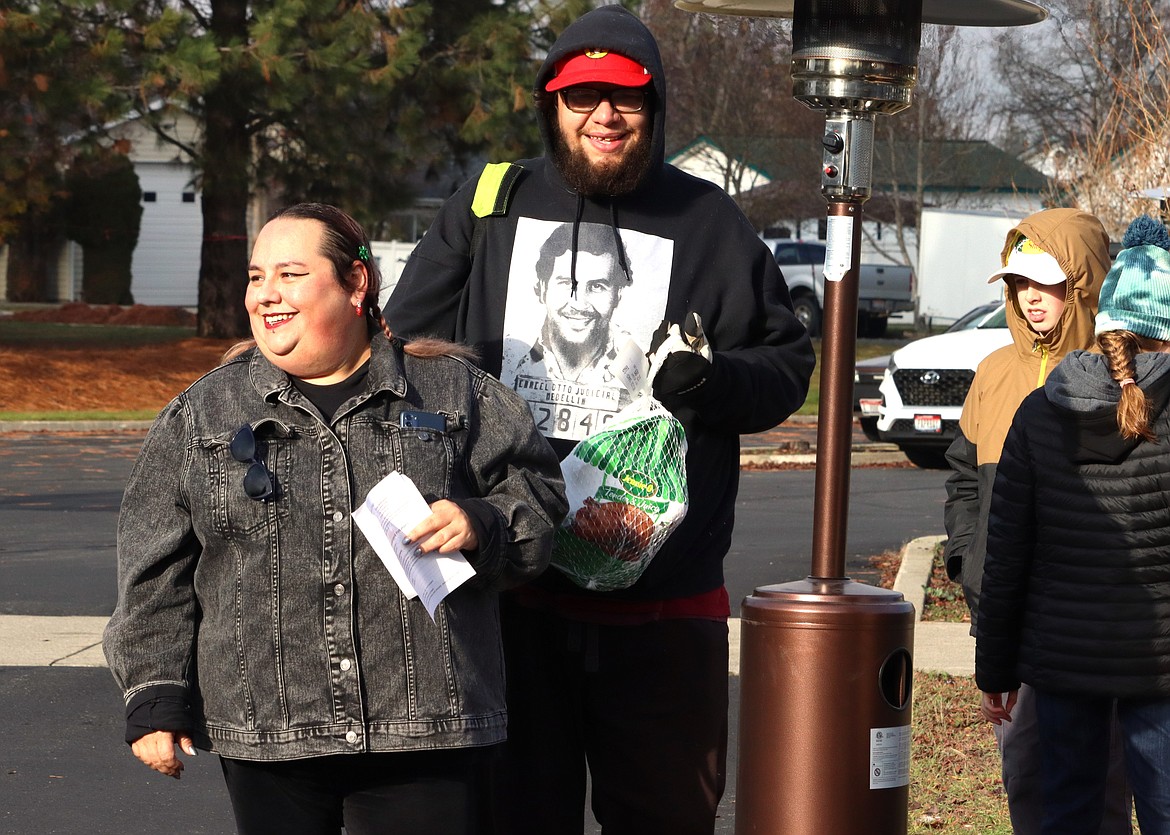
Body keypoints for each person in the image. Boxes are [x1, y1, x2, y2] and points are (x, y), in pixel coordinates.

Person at [386, 6, 815, 833]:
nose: (604, 117)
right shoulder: (489, 207)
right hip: (512, 600)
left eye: (625, 99)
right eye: (581, 97)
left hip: (662, 611)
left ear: (655, 109)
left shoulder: (707, 222)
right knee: (512, 818)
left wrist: (713, 380)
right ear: (551, 105)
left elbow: (786, 367)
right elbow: (402, 351)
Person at [102, 202, 567, 835]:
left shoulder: (457, 393)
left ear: (355, 284)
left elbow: (539, 502)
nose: (267, 294)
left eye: (290, 275)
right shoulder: (203, 412)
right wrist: (155, 693)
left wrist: (482, 521)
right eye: (256, 277)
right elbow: (154, 568)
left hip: (425, 729)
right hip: (269, 732)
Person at [976, 214, 1170, 835]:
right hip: (1160, 662)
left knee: (1066, 814)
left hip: (1060, 664)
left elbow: (1008, 550)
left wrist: (996, 670)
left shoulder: (1041, 409)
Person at [943, 207, 1131, 834]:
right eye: (1018, 282)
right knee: (1024, 776)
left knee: (1100, 784)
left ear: (1083, 283)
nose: (1029, 298)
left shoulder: (1124, 379)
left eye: (1046, 281)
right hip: (1008, 615)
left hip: (1093, 628)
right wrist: (968, 561)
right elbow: (965, 477)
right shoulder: (996, 372)